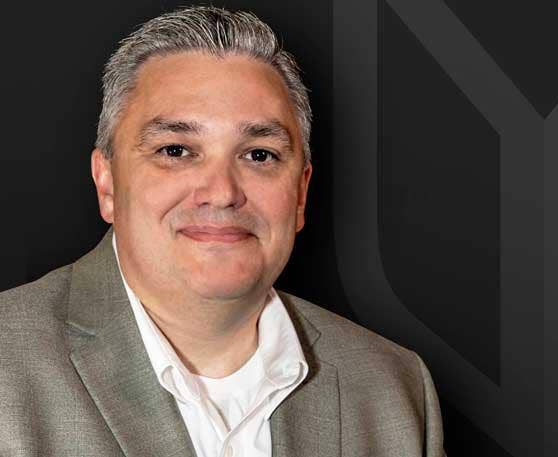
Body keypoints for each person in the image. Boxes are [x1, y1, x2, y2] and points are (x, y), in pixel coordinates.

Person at [0, 6, 445, 457]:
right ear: (107, 183)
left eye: (259, 155)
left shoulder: (392, 388)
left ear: (300, 193)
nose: (222, 193)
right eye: (176, 150)